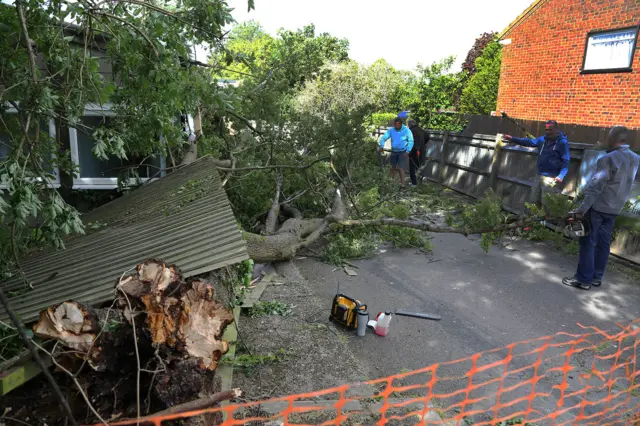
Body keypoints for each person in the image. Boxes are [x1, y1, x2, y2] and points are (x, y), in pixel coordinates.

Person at [563, 126, 639, 291]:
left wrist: (582, 209)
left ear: (614, 139)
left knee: (587, 242)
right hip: (614, 209)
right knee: (603, 244)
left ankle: (583, 280)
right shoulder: (635, 159)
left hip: (597, 207)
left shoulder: (608, 159)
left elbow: (596, 187)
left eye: (609, 137)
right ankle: (597, 277)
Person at [503, 120, 570, 210]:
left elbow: (566, 161)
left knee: (547, 202)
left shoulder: (562, 143)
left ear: (556, 130)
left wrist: (561, 175)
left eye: (550, 130)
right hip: (539, 175)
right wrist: (512, 138)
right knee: (534, 199)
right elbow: (528, 142)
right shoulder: (542, 140)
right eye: (546, 130)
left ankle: (545, 222)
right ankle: (536, 219)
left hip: (551, 178)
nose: (548, 132)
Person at [379, 117, 414, 186]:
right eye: (395, 124)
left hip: (402, 152)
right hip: (394, 152)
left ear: (401, 124)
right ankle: (391, 182)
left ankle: (402, 184)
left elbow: (411, 141)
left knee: (401, 168)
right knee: (392, 167)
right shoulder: (392, 130)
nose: (396, 126)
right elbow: (384, 138)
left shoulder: (406, 130)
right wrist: (381, 146)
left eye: (398, 124)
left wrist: (408, 150)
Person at [408, 119, 429, 186]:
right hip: (422, 150)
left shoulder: (411, 131)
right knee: (419, 166)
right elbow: (427, 137)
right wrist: (423, 144)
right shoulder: (421, 130)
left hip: (414, 150)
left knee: (412, 167)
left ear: (410, 125)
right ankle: (422, 178)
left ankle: (414, 183)